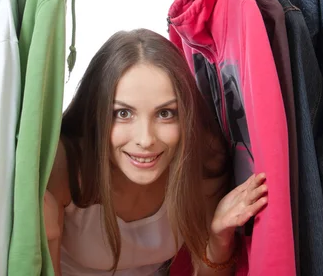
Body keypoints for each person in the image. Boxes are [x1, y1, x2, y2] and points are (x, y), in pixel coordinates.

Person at [44, 29, 269, 275]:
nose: (146, 140)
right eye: (123, 113)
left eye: (165, 114)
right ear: (95, 114)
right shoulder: (63, 164)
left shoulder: (202, 158)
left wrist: (218, 235)